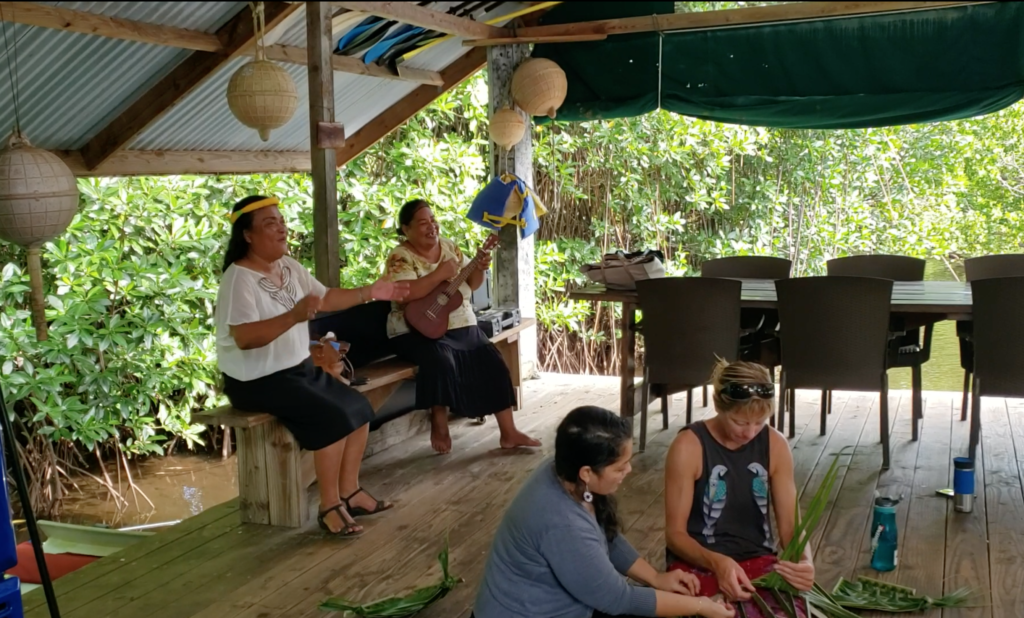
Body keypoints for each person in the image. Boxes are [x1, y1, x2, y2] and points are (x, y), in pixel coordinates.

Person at [215, 195, 410, 538]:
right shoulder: (238, 278)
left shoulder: (288, 266)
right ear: (247, 235)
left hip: (296, 370)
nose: (281, 228)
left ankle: (350, 491)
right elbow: (245, 338)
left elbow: (326, 298)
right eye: (269, 223)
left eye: (281, 220)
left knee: (359, 407)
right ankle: (329, 506)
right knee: (331, 419)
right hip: (256, 380)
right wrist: (293, 315)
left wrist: (371, 292)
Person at [473, 406, 735, 618]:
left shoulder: (564, 472)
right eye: (620, 467)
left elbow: (604, 534)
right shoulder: (562, 523)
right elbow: (619, 599)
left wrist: (655, 577)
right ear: (587, 472)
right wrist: (701, 606)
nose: (629, 471)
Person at [383, 198, 540, 454]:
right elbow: (405, 294)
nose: (431, 226)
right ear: (405, 229)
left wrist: (479, 268)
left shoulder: (451, 249)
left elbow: (471, 284)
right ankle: (439, 418)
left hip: (460, 323)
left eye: (433, 220)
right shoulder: (400, 256)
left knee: (493, 361)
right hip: (415, 329)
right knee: (441, 360)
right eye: (423, 223)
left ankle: (509, 432)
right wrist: (438, 275)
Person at [664, 360, 815, 615]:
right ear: (718, 405)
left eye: (759, 422)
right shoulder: (688, 446)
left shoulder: (775, 445)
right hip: (699, 562)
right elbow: (675, 535)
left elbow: (790, 525)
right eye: (740, 422)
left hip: (759, 560)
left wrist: (804, 561)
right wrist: (718, 562)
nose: (750, 432)